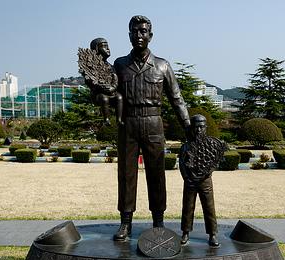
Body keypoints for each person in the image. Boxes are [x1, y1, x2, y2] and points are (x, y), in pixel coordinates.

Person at [113, 15, 191, 241]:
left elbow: (177, 98)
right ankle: (125, 222)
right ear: (129, 35)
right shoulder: (120, 65)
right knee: (126, 174)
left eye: (143, 31)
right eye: (135, 31)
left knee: (156, 174)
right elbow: (108, 92)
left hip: (154, 123)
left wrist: (187, 126)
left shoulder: (162, 65)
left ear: (150, 35)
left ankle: (158, 220)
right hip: (127, 124)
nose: (139, 35)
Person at [179, 114, 227, 247]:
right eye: (196, 127)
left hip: (205, 181)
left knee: (209, 207)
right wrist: (186, 178)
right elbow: (182, 164)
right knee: (188, 207)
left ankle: (212, 234)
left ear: (206, 128)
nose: (198, 130)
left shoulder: (212, 145)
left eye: (201, 127)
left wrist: (206, 173)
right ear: (192, 129)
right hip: (190, 181)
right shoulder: (186, 146)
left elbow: (214, 163)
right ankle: (185, 232)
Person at [87, 38, 123, 126]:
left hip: (112, 91)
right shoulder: (92, 67)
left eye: (108, 46)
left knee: (119, 97)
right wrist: (105, 88)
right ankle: (106, 119)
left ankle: (119, 119)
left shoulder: (110, 66)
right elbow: (92, 81)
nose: (108, 49)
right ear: (96, 49)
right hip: (99, 93)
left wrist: (113, 87)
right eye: (104, 46)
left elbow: (115, 77)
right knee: (104, 98)